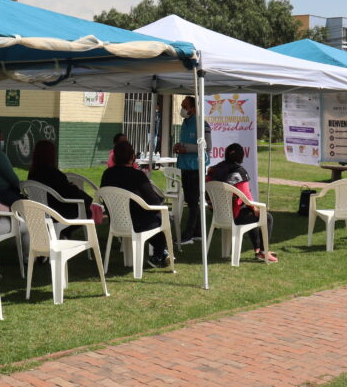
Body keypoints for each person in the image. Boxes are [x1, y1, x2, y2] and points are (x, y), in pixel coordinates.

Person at [100, 140, 169, 268]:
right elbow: (154, 202)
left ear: (114, 157)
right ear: (133, 157)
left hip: (116, 221)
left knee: (153, 219)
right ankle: (159, 254)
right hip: (138, 223)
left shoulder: (107, 174)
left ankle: (161, 253)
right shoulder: (137, 175)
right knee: (161, 218)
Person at [207, 142, 276, 262]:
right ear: (241, 156)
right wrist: (254, 208)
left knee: (251, 212)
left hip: (218, 214)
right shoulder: (239, 172)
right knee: (266, 216)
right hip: (235, 216)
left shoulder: (214, 169)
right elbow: (247, 197)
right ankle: (263, 252)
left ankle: (257, 250)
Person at [174, 95, 212, 244]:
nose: (182, 109)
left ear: (193, 108)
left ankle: (188, 234)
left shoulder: (202, 124)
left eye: (185, 106)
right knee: (191, 201)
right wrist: (178, 146)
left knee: (193, 201)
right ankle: (198, 232)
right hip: (184, 166)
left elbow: (207, 147)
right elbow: (186, 142)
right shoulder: (185, 122)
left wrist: (186, 149)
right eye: (182, 106)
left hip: (196, 167)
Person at [27, 139, 92, 220]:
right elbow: (68, 192)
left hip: (40, 211)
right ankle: (66, 232)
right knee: (87, 211)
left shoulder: (32, 174)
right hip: (58, 212)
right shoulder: (54, 174)